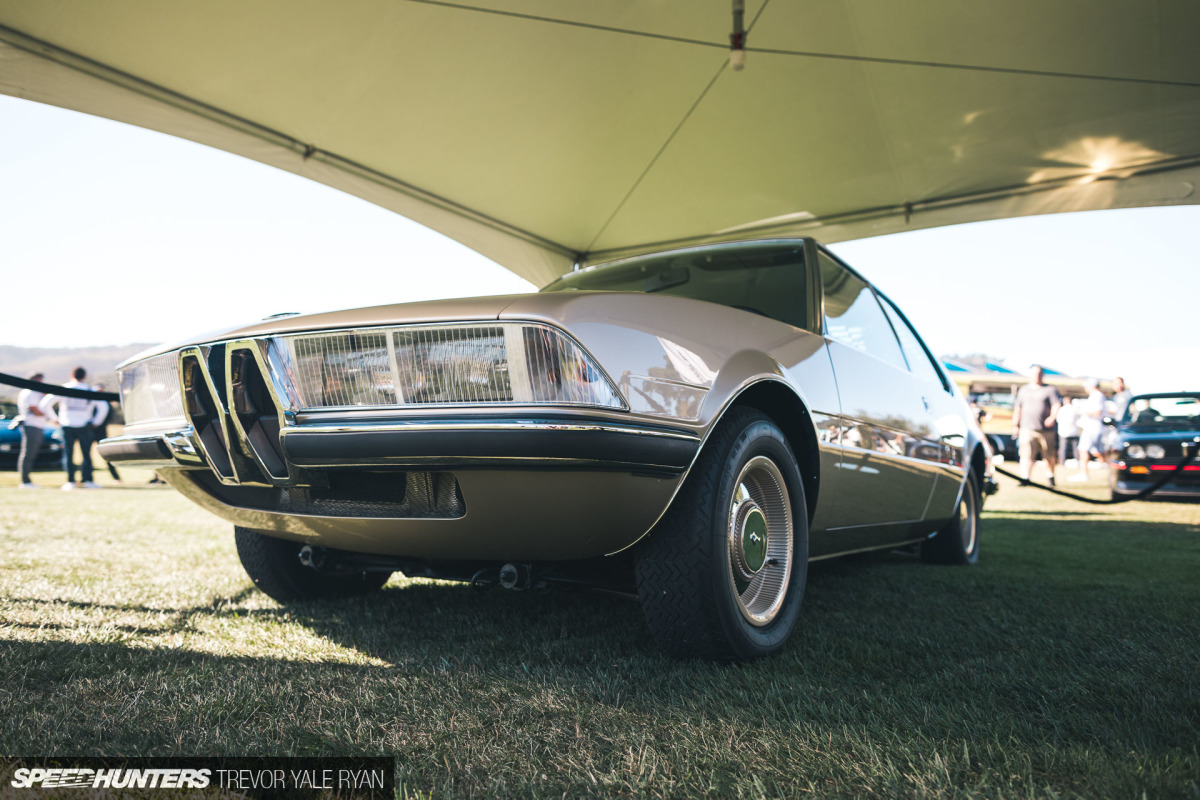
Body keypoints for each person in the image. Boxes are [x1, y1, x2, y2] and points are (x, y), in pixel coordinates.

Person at [42, 366, 107, 489]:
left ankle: (70, 481)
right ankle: (87, 480)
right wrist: (96, 422)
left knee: (68, 454)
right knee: (86, 454)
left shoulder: (64, 388)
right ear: (84, 376)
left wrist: (55, 419)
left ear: (72, 375)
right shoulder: (90, 390)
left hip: (67, 425)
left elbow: (45, 404)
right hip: (84, 425)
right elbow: (103, 406)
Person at [1012, 366, 1062, 486]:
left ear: (1042, 375)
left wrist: (1052, 417)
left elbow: (1056, 405)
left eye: (1039, 373)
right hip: (1027, 428)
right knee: (1026, 454)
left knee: (1049, 455)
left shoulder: (1050, 389)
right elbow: (1018, 408)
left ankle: (1050, 477)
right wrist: (1015, 424)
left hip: (1046, 430)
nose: (1036, 375)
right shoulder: (1023, 390)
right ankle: (1025, 478)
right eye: (1034, 373)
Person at [15, 371, 56, 488]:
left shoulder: (32, 392)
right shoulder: (30, 392)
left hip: (35, 425)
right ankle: (25, 481)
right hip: (31, 424)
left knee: (29, 453)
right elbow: (34, 408)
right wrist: (47, 414)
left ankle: (26, 479)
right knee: (28, 453)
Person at [1073, 378, 1107, 481]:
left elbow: (1098, 412)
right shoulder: (1096, 396)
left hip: (1092, 427)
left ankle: (1084, 474)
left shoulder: (1097, 396)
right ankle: (1106, 465)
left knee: (1083, 450)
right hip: (1092, 427)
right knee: (1095, 451)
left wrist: (1082, 410)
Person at [91, 382, 120, 483]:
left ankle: (116, 477)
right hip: (88, 431)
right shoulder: (90, 402)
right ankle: (86, 478)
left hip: (101, 432)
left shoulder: (106, 403)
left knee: (106, 456)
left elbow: (109, 417)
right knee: (87, 456)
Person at [1057, 396, 1081, 467]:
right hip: (1073, 431)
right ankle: (1078, 461)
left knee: (1063, 448)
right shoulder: (1075, 409)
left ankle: (1062, 463)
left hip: (1064, 431)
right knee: (1075, 448)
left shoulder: (1062, 409)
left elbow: (1058, 419)